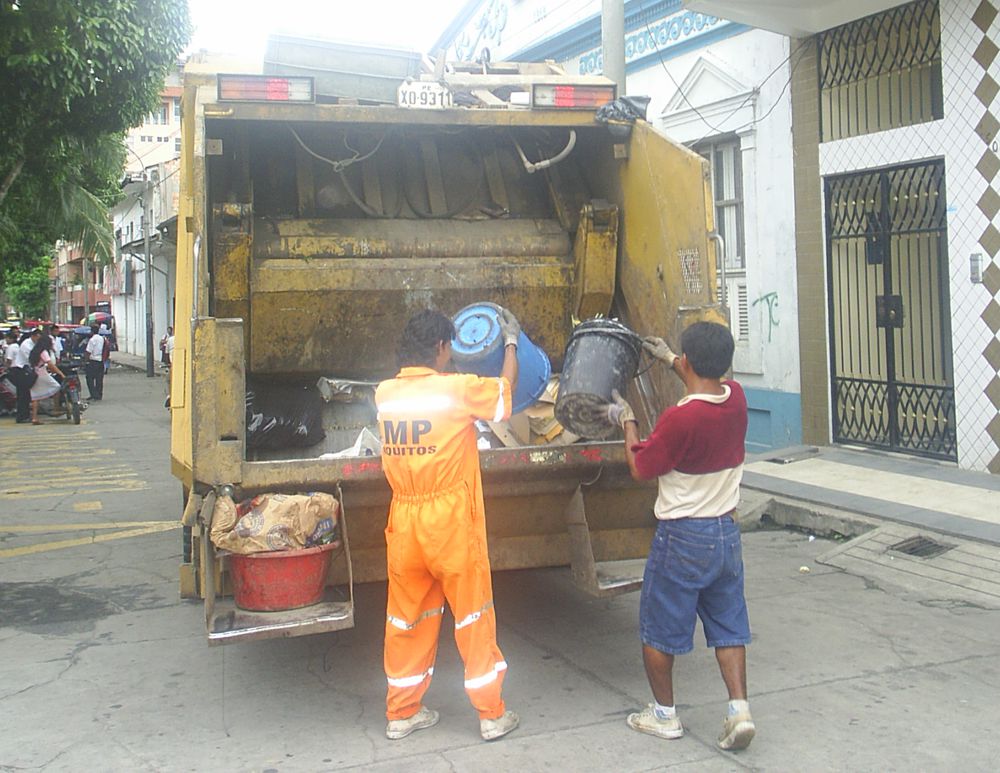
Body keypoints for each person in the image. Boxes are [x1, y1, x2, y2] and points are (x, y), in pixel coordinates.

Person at [374, 307, 521, 743]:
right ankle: (491, 714)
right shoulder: (455, 390)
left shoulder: (384, 394)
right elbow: (503, 394)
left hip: (404, 519)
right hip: (450, 522)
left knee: (406, 619)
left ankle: (402, 712)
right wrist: (510, 343)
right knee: (473, 615)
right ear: (441, 348)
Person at [607, 321, 755, 751]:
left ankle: (664, 715)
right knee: (729, 627)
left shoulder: (678, 420)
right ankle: (738, 710)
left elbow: (640, 469)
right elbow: (708, 382)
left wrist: (628, 422)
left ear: (690, 362)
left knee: (660, 629)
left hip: (683, 536)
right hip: (726, 533)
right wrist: (669, 357)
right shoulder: (739, 401)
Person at [28, 334, 64, 424]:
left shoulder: (34, 351)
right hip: (42, 373)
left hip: (34, 374)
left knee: (35, 397)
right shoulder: (43, 352)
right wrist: (60, 373)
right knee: (57, 387)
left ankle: (34, 418)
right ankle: (56, 408)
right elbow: (50, 364)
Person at [12, 329, 40, 423]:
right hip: (21, 370)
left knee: (27, 394)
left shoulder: (33, 344)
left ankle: (26, 415)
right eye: (38, 337)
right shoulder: (26, 345)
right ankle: (22, 416)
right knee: (23, 394)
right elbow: (31, 359)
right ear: (34, 336)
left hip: (27, 370)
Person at [85, 324, 105, 400]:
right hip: (100, 360)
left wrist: (86, 361)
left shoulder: (92, 340)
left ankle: (93, 394)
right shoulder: (102, 339)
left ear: (92, 331)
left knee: (89, 378)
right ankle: (99, 394)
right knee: (99, 379)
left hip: (92, 361)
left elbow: (88, 351)